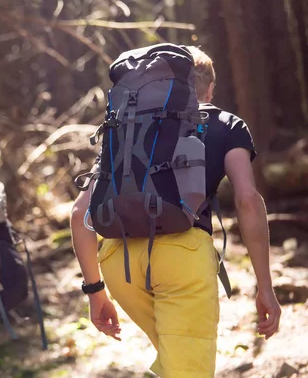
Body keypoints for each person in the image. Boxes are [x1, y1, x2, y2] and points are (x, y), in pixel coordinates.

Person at [69, 46, 281, 377]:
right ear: (209, 87)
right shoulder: (226, 123)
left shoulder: (127, 122)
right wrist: (265, 286)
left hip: (117, 260)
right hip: (183, 256)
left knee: (174, 361)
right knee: (187, 369)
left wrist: (95, 291)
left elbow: (80, 212)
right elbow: (247, 199)